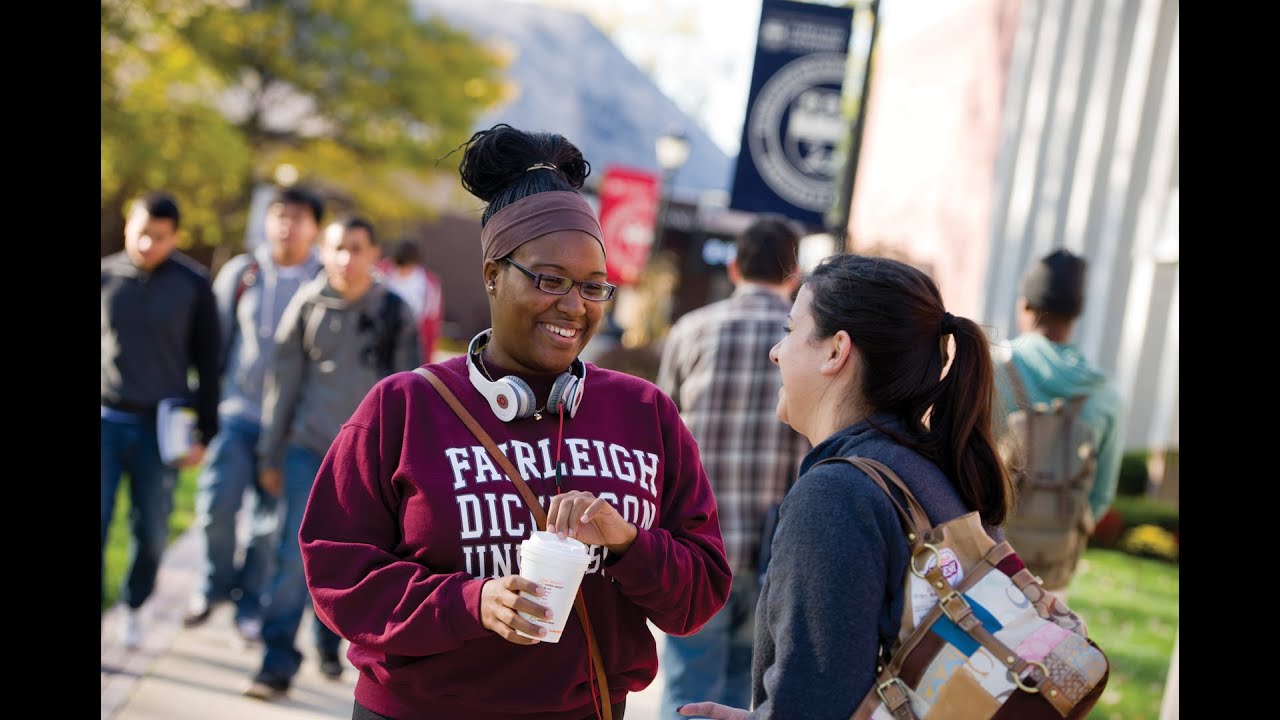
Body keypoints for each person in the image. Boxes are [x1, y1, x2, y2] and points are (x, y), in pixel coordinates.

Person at [298, 122, 732, 720]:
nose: (574, 306)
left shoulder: (645, 414)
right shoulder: (403, 408)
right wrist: (471, 604)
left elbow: (701, 594)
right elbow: (337, 572)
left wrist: (630, 544)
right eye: (549, 280)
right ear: (493, 276)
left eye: (593, 287)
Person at [676, 252, 1013, 719]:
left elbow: (811, 705)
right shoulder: (929, 470)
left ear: (836, 351)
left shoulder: (838, 495)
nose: (776, 352)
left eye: (790, 331)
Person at [244, 215, 423, 700]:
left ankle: (330, 641)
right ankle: (275, 663)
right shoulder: (306, 306)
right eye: (338, 248)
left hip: (367, 464)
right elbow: (283, 386)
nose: (346, 258)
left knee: (355, 563)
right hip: (307, 450)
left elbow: (414, 396)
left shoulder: (394, 313)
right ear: (323, 251)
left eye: (357, 249)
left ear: (373, 254)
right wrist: (271, 454)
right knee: (289, 558)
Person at [656, 216, 811, 715]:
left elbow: (658, 438)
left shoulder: (691, 331)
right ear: (795, 273)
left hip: (697, 546)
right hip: (775, 550)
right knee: (742, 695)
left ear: (733, 264)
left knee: (686, 690)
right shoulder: (808, 341)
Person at [183, 185, 326, 642]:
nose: (287, 225)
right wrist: (202, 415)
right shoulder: (241, 273)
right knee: (215, 508)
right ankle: (213, 586)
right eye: (279, 214)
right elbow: (213, 348)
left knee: (270, 527)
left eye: (298, 217)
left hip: (289, 427)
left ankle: (250, 601)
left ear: (314, 228)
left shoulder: (323, 282)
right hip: (236, 413)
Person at [102, 190, 221, 650]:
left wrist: (204, 432)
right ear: (129, 226)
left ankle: (135, 605)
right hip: (107, 419)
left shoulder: (194, 285)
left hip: (161, 430)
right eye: (141, 233)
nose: (147, 245)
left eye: (159, 237)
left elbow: (209, 365)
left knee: (150, 529)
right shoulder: (106, 276)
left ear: (175, 237)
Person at [993, 248, 1125, 596]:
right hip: (1051, 576)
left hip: (981, 560)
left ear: (1025, 307)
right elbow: (1100, 497)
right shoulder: (1105, 395)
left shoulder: (990, 369)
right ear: (1075, 316)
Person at [379, 238, 445, 362]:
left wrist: (427, 358)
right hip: (381, 334)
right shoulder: (380, 273)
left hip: (411, 339)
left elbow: (432, 321)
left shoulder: (429, 284)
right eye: (399, 267)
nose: (403, 271)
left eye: (407, 267)